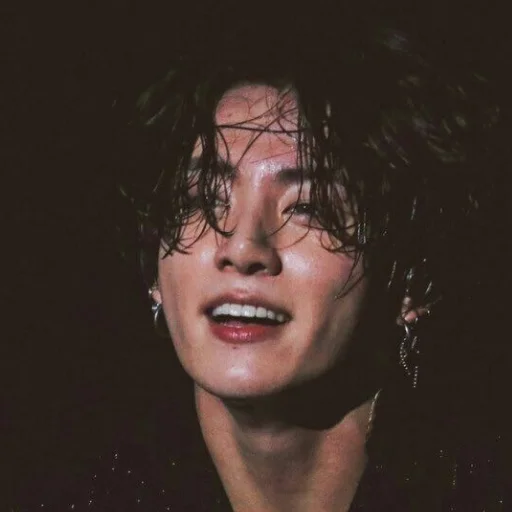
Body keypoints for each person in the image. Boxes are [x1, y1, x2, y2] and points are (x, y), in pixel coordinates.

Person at [14, 12, 508, 512]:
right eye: (204, 199)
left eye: (310, 208)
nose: (243, 248)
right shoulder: (63, 486)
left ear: (410, 280)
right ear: (155, 269)